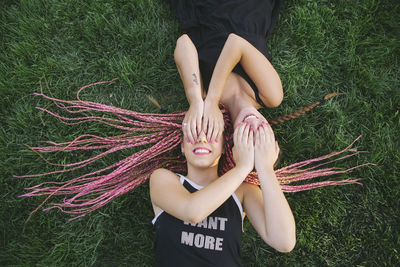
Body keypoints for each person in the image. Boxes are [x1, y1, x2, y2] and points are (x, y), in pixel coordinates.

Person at [150, 120, 296, 265]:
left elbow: (284, 242)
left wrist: (265, 167)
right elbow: (192, 212)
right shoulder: (163, 179)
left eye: (212, 133)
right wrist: (242, 167)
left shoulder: (242, 192)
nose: (202, 139)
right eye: (194, 133)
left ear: (224, 147)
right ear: (182, 146)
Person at [167, 0, 285, 144]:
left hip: (204, 10)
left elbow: (184, 43)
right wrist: (212, 99)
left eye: (249, 139)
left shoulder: (203, 96)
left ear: (232, 142)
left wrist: (196, 101)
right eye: (262, 136)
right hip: (248, 7)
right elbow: (236, 43)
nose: (254, 127)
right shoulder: (271, 96)